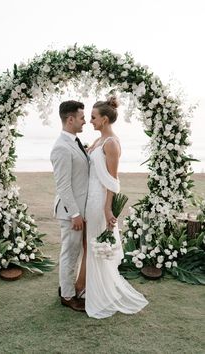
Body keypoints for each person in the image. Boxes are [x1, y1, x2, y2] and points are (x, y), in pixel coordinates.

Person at [85, 96, 148, 319]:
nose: (89, 121)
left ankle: (102, 295)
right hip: (90, 198)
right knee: (92, 247)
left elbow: (112, 180)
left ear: (104, 119)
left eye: (93, 117)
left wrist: (107, 208)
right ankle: (94, 290)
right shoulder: (99, 140)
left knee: (97, 249)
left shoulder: (111, 143)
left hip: (99, 200)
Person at [50, 100, 89, 312]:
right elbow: (63, 186)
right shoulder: (61, 147)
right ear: (70, 119)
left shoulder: (74, 141)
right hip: (70, 212)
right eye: (82, 117)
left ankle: (66, 288)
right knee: (70, 253)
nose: (85, 121)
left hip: (78, 209)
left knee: (72, 252)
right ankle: (67, 296)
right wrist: (75, 213)